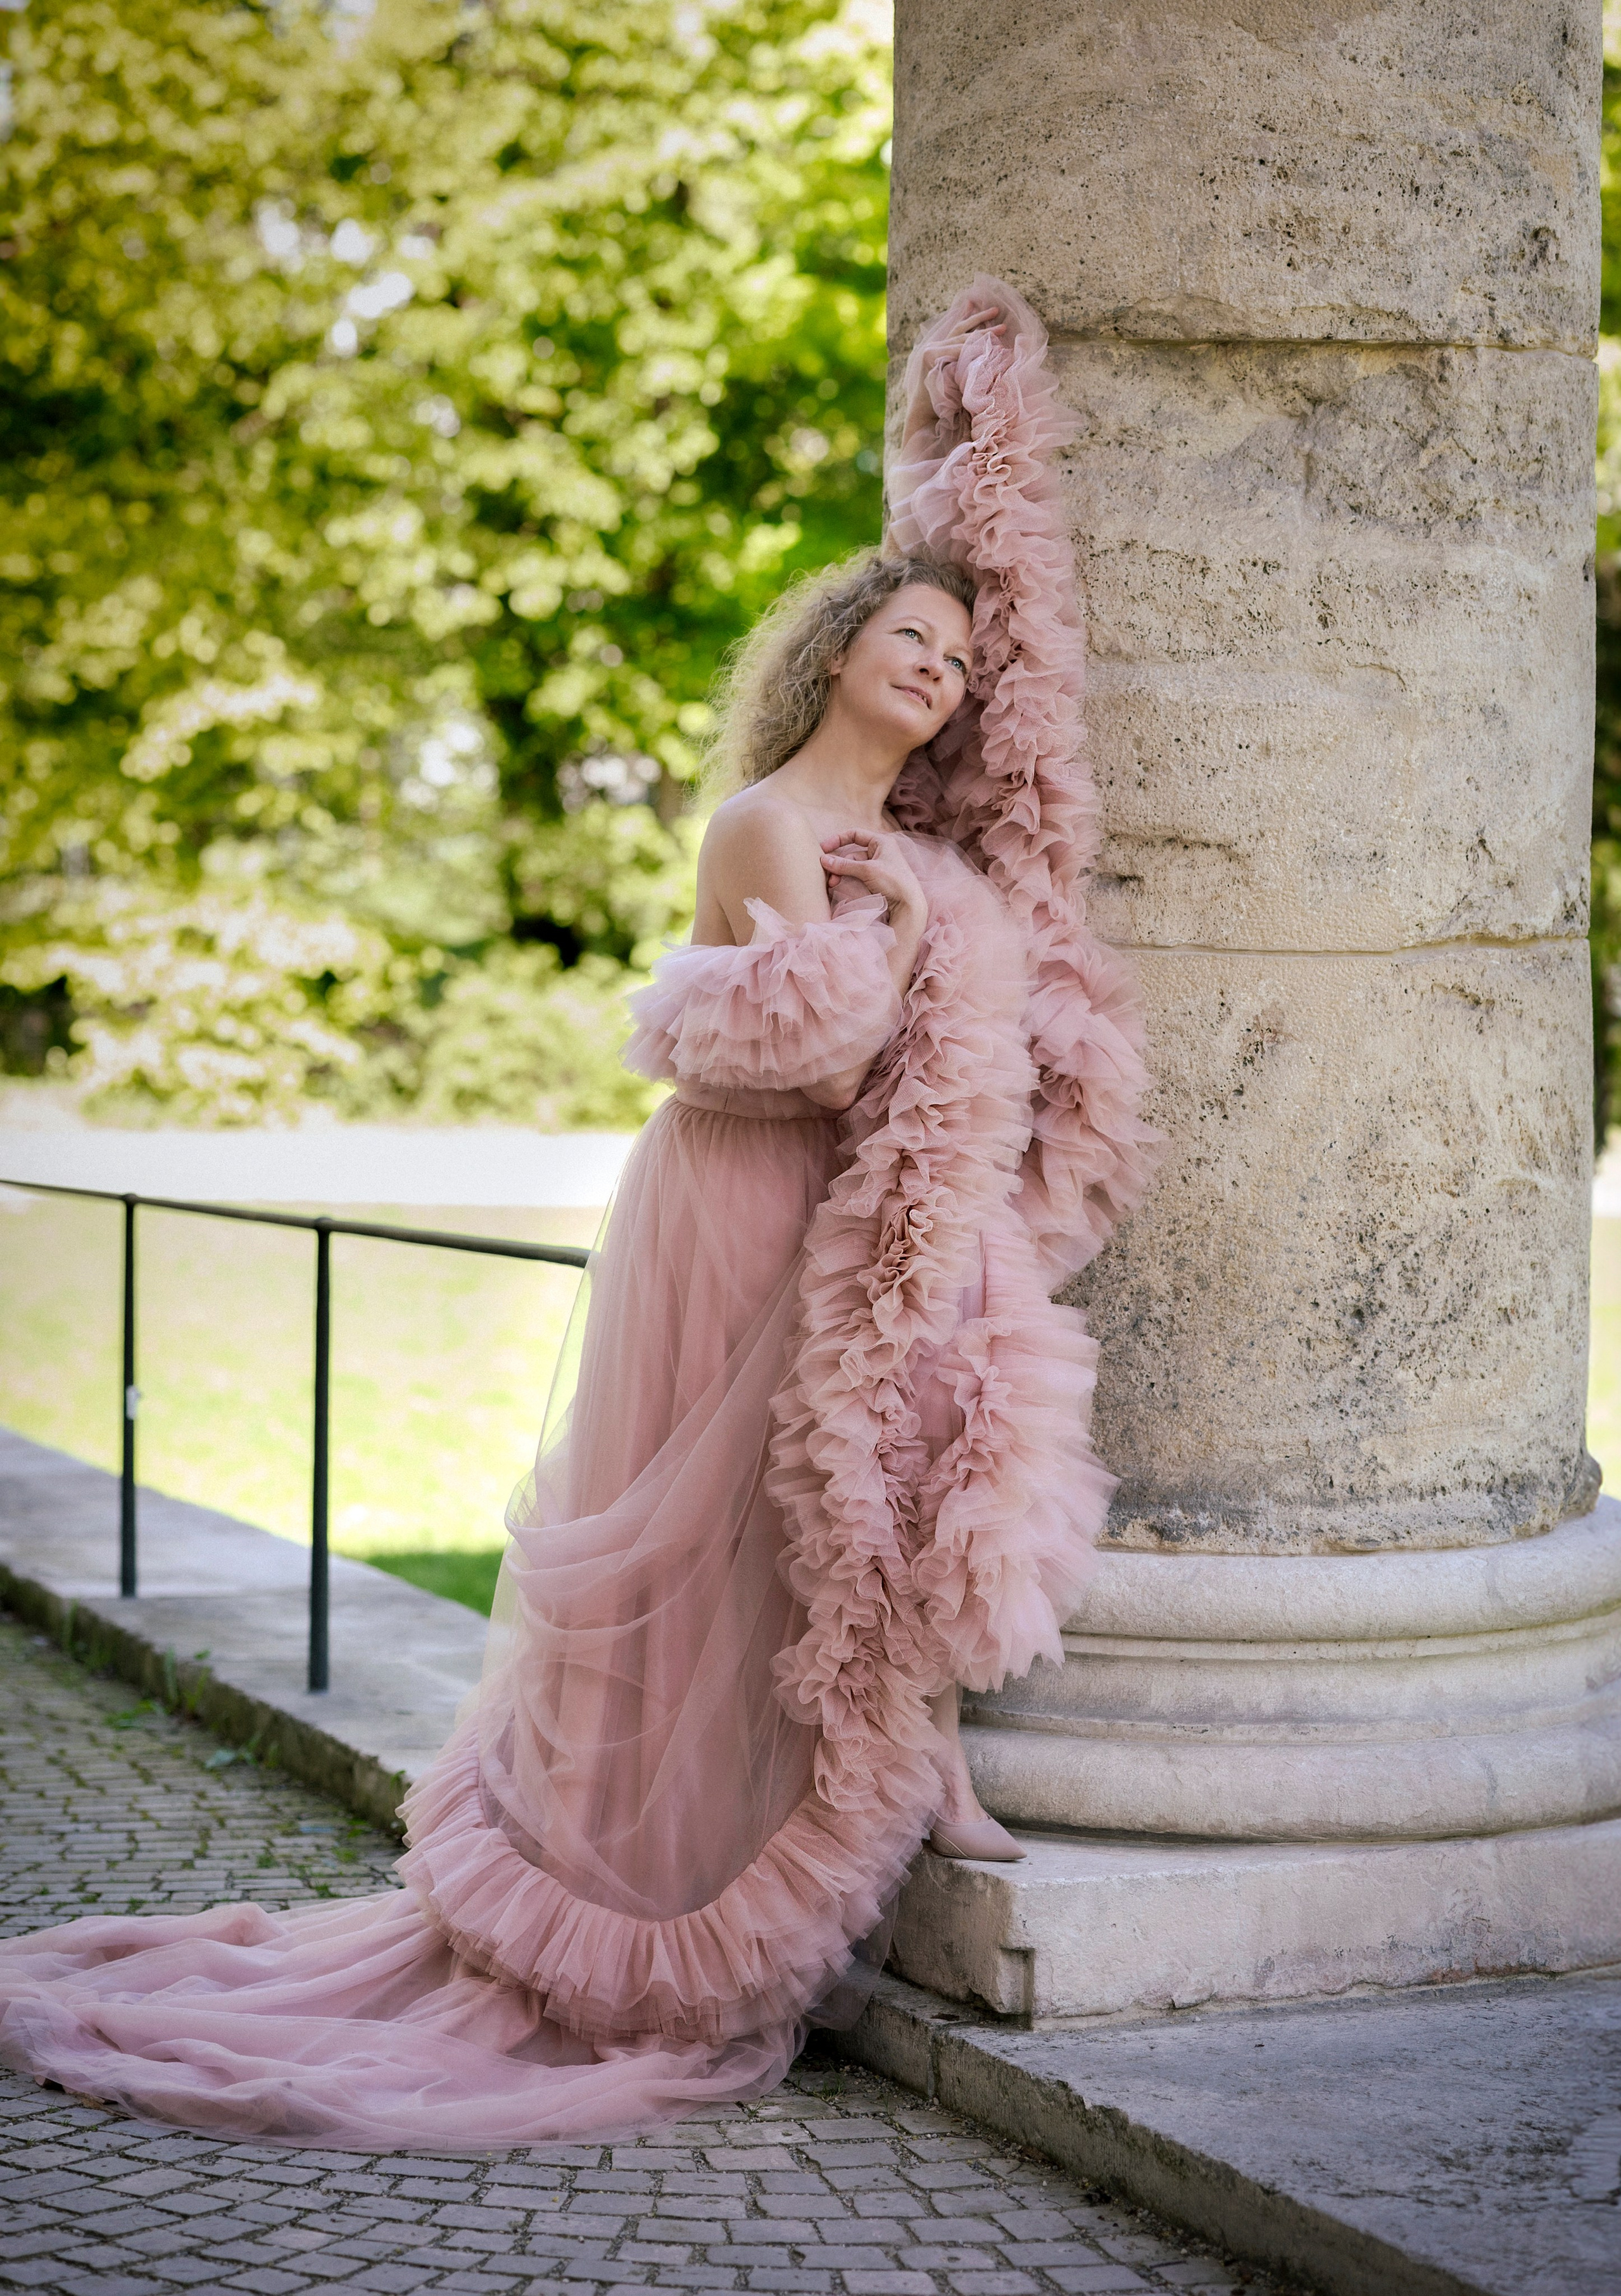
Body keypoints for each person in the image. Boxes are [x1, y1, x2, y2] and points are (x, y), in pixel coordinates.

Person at [0, 278, 1155, 2150]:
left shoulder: (918, 849)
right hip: (744, 1192)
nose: (937, 667)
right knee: (751, 1520)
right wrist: (935, 948)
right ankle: (827, 1794)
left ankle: (914, 1750)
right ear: (841, 650)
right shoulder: (777, 824)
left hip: (836, 1198)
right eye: (912, 638)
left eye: (958, 653)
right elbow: (808, 1040)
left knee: (872, 1472)